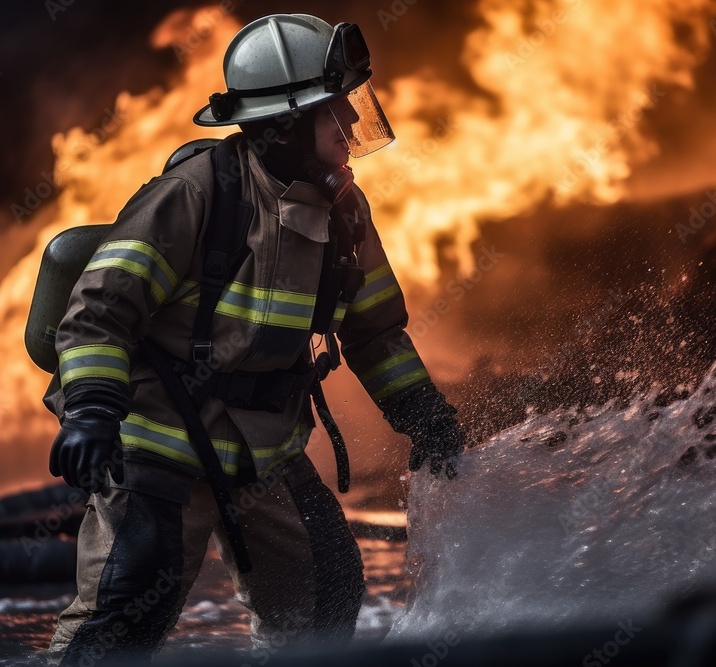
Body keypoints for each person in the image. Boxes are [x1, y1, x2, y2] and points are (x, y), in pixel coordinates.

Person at [43, 13, 466, 665]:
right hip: (160, 443)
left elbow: (376, 332)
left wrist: (424, 415)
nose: (351, 123)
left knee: (324, 593)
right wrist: (93, 409)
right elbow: (99, 311)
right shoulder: (193, 196)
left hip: (263, 448)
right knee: (123, 615)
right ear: (285, 124)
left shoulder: (345, 212)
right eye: (334, 110)